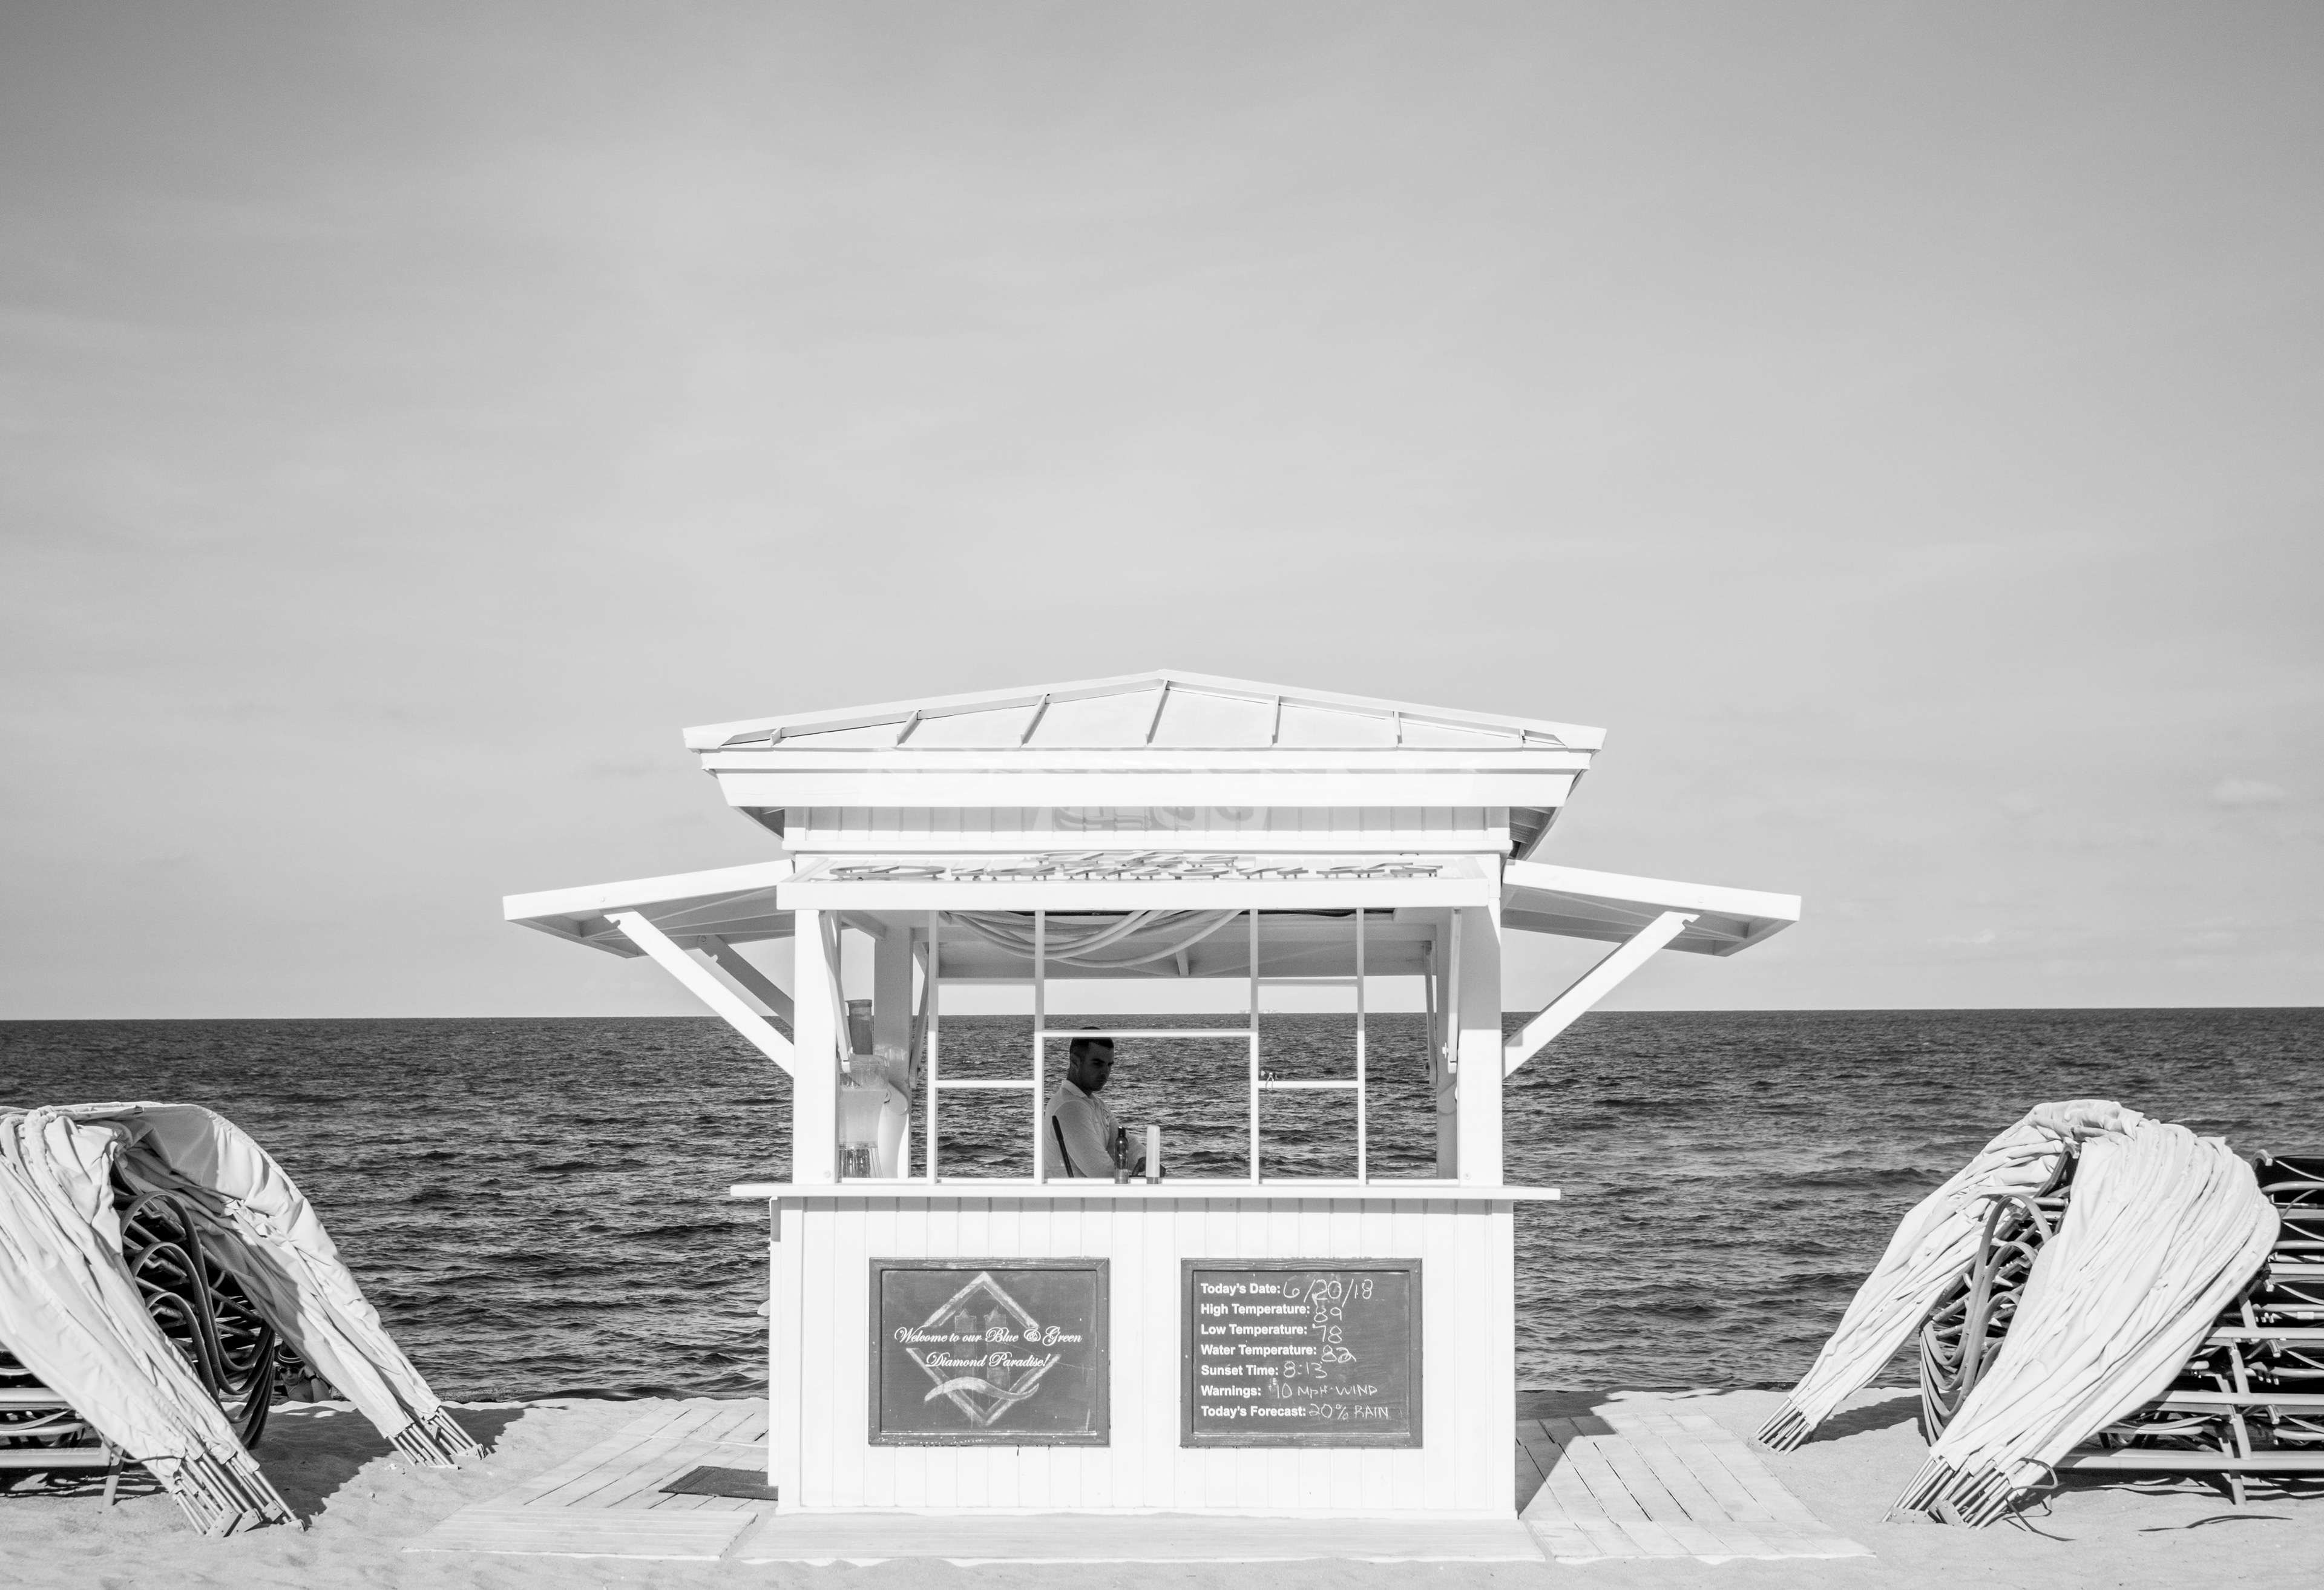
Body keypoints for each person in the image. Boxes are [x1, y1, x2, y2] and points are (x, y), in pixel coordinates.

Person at [1043, 1036, 1145, 1178]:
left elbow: (1123, 1141)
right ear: (1075, 1062)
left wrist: (1144, 1158)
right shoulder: (1070, 1108)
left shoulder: (1095, 1104)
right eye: (1098, 1064)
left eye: (1109, 1065)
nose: (1105, 1072)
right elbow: (1101, 1171)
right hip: (1073, 1194)